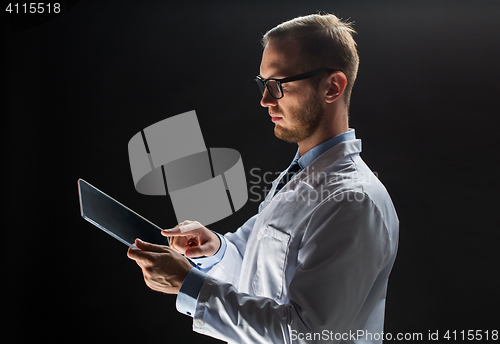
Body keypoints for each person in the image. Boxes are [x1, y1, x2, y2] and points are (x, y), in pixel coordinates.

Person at [128, 13, 399, 344]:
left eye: (278, 85)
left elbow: (307, 335)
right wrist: (214, 248)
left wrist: (191, 287)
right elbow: (259, 272)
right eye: (263, 84)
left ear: (332, 86)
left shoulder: (354, 201)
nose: (265, 100)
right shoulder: (302, 174)